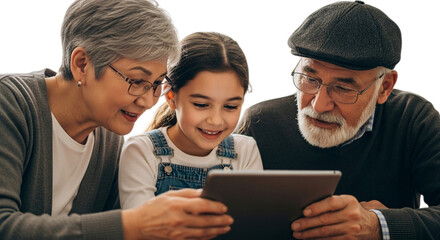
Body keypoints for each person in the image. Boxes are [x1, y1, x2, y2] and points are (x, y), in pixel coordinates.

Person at [0, 1, 234, 239]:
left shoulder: (110, 138)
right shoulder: (10, 103)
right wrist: (134, 224)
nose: (148, 102)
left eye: (155, 84)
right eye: (135, 81)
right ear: (82, 64)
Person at [239, 1, 440, 239]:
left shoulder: (414, 119)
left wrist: (377, 225)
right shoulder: (261, 122)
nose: (319, 105)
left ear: (385, 87)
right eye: (309, 79)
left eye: (343, 88)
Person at [119, 32, 263, 209]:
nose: (216, 120)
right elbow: (139, 230)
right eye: (201, 104)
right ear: (171, 96)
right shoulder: (141, 151)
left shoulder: (245, 151)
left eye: (230, 107)